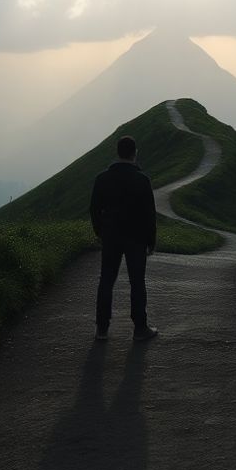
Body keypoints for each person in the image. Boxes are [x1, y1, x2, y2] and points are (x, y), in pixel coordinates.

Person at [89, 135, 159, 341]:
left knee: (106, 281)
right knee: (137, 282)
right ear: (134, 153)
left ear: (118, 153)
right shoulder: (142, 180)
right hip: (136, 238)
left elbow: (94, 209)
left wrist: (100, 231)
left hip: (111, 236)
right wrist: (151, 240)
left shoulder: (102, 179)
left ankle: (101, 328)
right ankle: (140, 328)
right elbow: (149, 213)